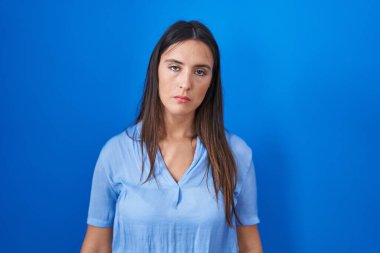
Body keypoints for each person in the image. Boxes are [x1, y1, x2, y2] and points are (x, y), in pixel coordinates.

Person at [80, 20, 263, 253]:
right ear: (156, 69)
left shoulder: (237, 154)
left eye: (199, 72)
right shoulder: (115, 152)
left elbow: (249, 245)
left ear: (211, 82)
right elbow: (96, 246)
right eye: (175, 67)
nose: (185, 84)